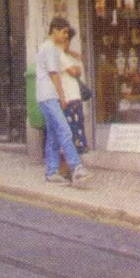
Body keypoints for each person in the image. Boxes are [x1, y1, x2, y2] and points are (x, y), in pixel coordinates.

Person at [36, 17, 88, 186]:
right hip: (50, 97)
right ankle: (77, 168)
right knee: (65, 131)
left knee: (53, 136)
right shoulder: (50, 48)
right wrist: (62, 96)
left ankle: (51, 172)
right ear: (55, 30)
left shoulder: (47, 47)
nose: (66, 36)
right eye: (64, 32)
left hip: (45, 97)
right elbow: (54, 74)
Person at [57, 26, 87, 155]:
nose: (66, 43)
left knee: (77, 123)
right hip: (68, 96)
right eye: (64, 40)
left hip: (74, 95)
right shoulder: (59, 55)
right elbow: (75, 71)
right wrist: (75, 68)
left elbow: (80, 67)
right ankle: (75, 151)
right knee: (72, 125)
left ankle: (79, 148)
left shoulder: (69, 55)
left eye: (68, 40)